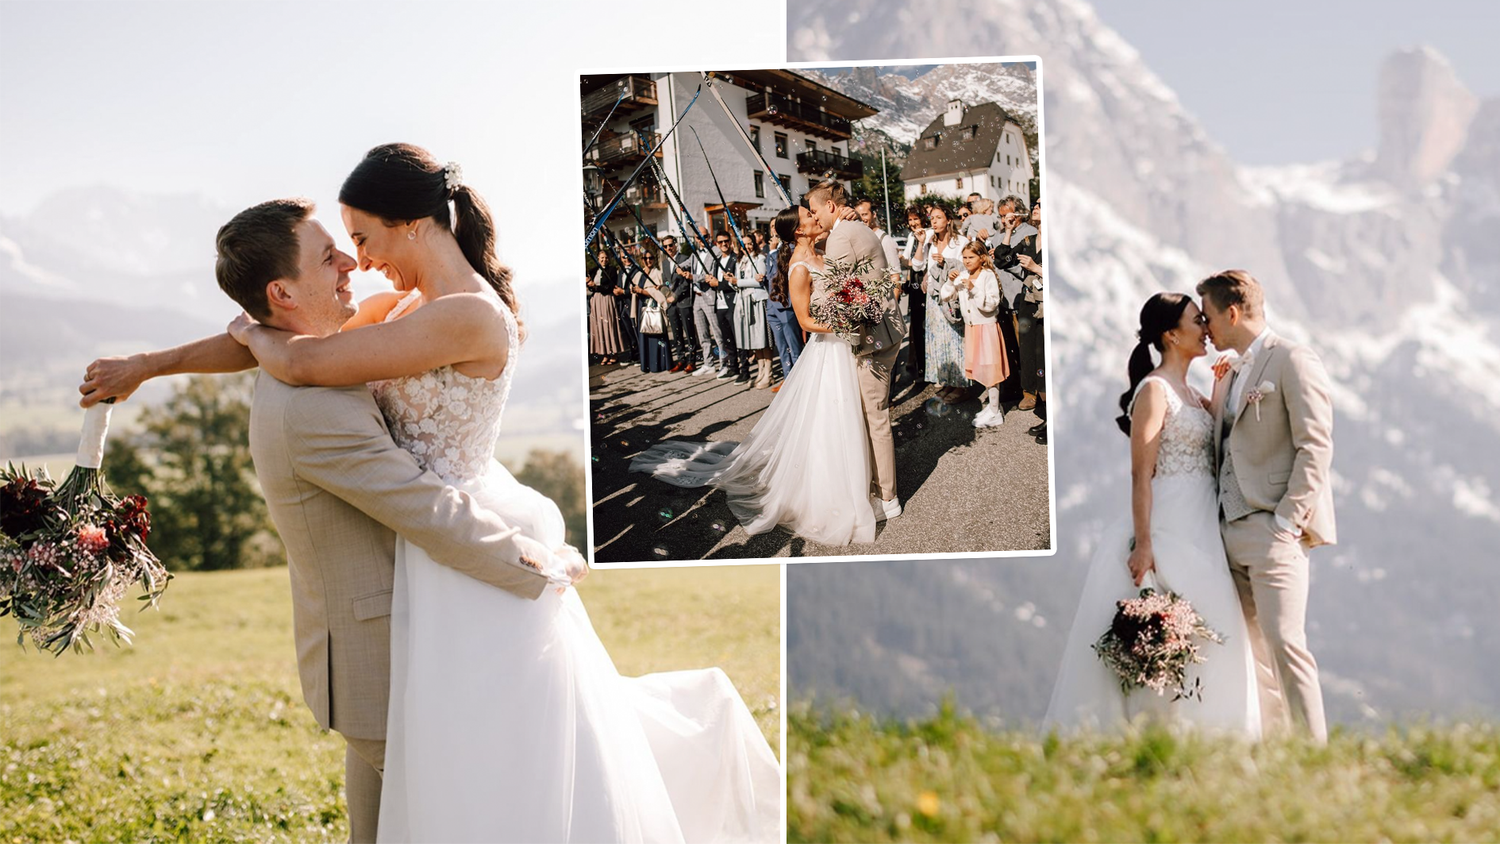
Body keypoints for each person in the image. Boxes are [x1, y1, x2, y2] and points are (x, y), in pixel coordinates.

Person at [82, 145, 782, 842]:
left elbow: (297, 354)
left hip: (462, 551)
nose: (357, 258)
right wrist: (153, 363)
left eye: (360, 237)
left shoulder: (465, 316)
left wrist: (244, 330)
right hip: (423, 560)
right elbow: (282, 338)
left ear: (412, 223)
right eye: (344, 246)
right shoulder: (401, 306)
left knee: (500, 781)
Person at [1045, 293, 1261, 738]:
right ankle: (1154, 733)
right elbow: (1140, 474)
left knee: (1213, 628)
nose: (1206, 327)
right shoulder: (1154, 391)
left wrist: (1220, 388)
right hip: (1168, 525)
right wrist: (1144, 543)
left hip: (1203, 526)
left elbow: (1215, 437)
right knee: (1167, 631)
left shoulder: (1190, 392)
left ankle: (1212, 734)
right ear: (1171, 334)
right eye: (1196, 320)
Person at [628, 205, 876, 546]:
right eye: (809, 217)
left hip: (840, 349)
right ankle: (826, 493)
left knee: (843, 415)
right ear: (800, 231)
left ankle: (854, 483)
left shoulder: (822, 250)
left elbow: (843, 232)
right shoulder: (798, 267)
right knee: (828, 418)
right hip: (827, 346)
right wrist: (844, 324)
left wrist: (849, 216)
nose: (816, 219)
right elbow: (804, 321)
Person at [1200, 269, 1335, 743]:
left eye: (1209, 316)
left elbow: (1315, 446)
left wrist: (1286, 521)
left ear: (1232, 312)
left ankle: (1314, 754)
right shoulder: (1232, 370)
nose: (1205, 326)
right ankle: (1279, 753)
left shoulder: (1293, 359)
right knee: (1251, 652)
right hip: (1229, 532)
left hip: (1274, 529)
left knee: (1285, 644)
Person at [939, 241, 1010, 427]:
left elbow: (991, 304)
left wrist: (973, 288)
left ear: (982, 257)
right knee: (983, 368)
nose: (967, 261)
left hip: (986, 327)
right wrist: (948, 280)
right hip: (971, 328)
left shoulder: (988, 276)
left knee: (991, 370)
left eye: (971, 257)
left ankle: (995, 412)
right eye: (964, 257)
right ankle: (992, 406)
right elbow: (944, 296)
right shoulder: (963, 275)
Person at [921, 206, 970, 403]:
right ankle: (947, 381)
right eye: (932, 218)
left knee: (955, 340)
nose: (934, 221)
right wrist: (926, 276)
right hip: (933, 298)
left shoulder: (961, 242)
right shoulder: (931, 243)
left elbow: (966, 268)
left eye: (938, 217)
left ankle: (960, 385)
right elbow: (927, 267)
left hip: (951, 297)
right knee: (939, 341)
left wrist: (945, 263)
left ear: (949, 220)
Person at [764, 225, 803, 393]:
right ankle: (788, 380)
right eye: (772, 227)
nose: (774, 231)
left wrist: (772, 253)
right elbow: (770, 276)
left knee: (794, 347)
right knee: (782, 348)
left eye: (776, 227)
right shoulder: (773, 250)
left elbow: (781, 272)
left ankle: (800, 383)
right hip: (772, 305)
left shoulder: (791, 248)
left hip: (785, 304)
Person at [734, 231, 774, 389]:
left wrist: (738, 281)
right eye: (744, 244)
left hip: (757, 301)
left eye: (750, 243)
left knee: (763, 340)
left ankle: (769, 373)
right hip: (745, 303)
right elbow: (739, 282)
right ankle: (761, 370)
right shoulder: (741, 260)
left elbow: (759, 281)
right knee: (755, 341)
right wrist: (733, 281)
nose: (747, 247)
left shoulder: (760, 258)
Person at [709, 233, 746, 383]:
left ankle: (744, 369)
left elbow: (735, 282)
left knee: (739, 339)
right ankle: (733, 367)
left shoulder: (735, 258)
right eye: (720, 242)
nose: (723, 244)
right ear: (717, 244)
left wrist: (718, 284)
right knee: (727, 339)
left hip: (732, 303)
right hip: (720, 305)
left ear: (730, 242)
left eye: (726, 241)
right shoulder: (717, 260)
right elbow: (715, 281)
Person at [899, 206, 930, 387]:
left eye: (915, 219)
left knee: (923, 324)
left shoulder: (928, 233)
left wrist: (908, 261)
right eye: (910, 220)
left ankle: (925, 366)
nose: (913, 223)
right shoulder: (911, 236)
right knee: (916, 324)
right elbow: (905, 259)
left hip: (923, 278)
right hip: (914, 281)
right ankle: (919, 365)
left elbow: (917, 262)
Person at [660, 235, 698, 373]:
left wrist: (675, 296)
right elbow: (666, 281)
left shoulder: (684, 258)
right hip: (671, 304)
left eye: (671, 245)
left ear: (675, 245)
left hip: (683, 301)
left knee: (689, 332)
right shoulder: (664, 263)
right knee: (676, 334)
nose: (669, 248)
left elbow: (686, 282)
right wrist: (666, 293)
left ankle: (692, 361)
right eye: (666, 246)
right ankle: (681, 359)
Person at [632, 250, 672, 373]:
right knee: (644, 335)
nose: (648, 260)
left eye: (650, 258)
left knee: (657, 334)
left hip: (654, 308)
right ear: (642, 260)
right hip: (642, 308)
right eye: (645, 258)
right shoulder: (638, 274)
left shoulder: (658, 273)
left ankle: (659, 364)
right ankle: (647, 364)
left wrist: (644, 291)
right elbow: (633, 288)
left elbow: (661, 292)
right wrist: (635, 290)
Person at [586, 245, 627, 365]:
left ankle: (613, 353)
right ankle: (604, 353)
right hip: (596, 301)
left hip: (606, 299)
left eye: (605, 258)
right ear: (598, 259)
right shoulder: (593, 271)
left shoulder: (611, 270)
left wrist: (596, 286)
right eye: (601, 258)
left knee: (609, 325)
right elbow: (591, 287)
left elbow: (609, 286)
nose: (604, 260)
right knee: (599, 327)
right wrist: (589, 284)